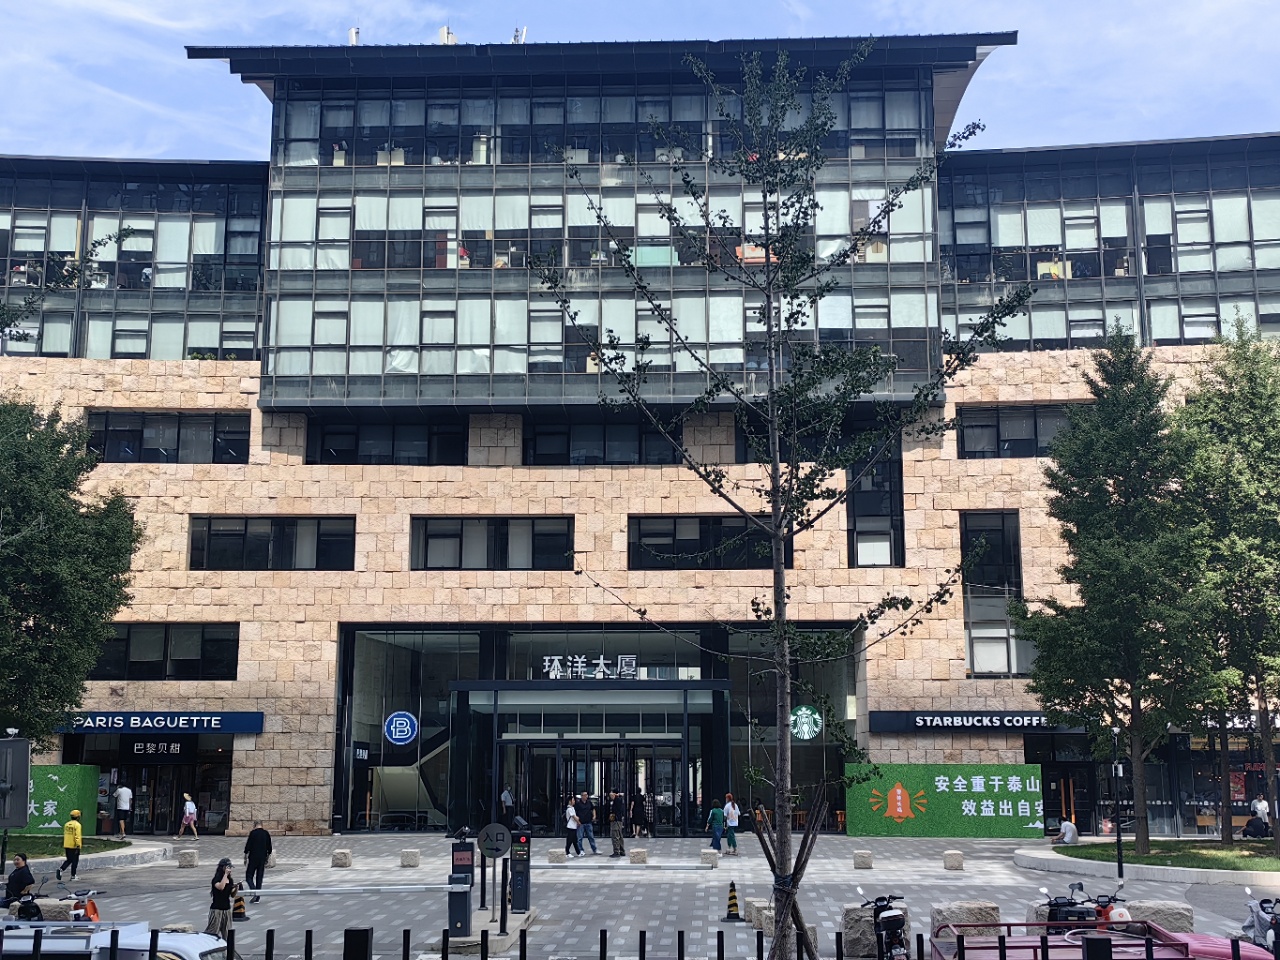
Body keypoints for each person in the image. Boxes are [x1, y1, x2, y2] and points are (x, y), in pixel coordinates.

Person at [205, 857, 235, 940]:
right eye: (228, 867)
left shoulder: (230, 880)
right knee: (213, 932)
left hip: (227, 909)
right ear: (223, 867)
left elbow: (232, 894)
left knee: (227, 933)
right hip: (217, 910)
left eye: (230, 868)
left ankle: (227, 947)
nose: (229, 870)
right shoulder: (216, 879)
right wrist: (225, 875)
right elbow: (221, 887)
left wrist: (236, 888)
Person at [243, 820, 273, 903]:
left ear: (255, 825)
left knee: (249, 876)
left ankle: (254, 891)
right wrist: (267, 856)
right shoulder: (266, 833)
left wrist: (245, 856)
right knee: (259, 877)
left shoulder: (253, 833)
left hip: (253, 857)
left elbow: (248, 845)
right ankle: (257, 896)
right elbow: (269, 847)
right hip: (262, 858)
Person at [57, 810, 83, 881]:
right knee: (75, 861)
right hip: (74, 846)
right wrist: (78, 845)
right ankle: (73, 876)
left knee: (69, 860)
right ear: (78, 817)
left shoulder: (67, 824)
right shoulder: (77, 825)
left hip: (67, 844)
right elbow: (77, 836)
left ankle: (61, 869)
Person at [575, 791, 598, 855]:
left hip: (588, 822)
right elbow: (575, 813)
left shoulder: (589, 802)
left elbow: (593, 809)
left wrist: (594, 816)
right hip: (581, 823)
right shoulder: (578, 804)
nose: (586, 796)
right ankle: (580, 850)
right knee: (580, 837)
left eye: (587, 795)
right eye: (585, 795)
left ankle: (594, 849)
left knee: (591, 837)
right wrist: (577, 821)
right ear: (582, 796)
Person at [608, 788, 626, 858]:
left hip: (616, 820)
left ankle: (616, 851)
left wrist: (616, 795)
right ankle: (621, 850)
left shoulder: (617, 800)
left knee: (615, 836)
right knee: (619, 835)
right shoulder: (620, 799)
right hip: (618, 820)